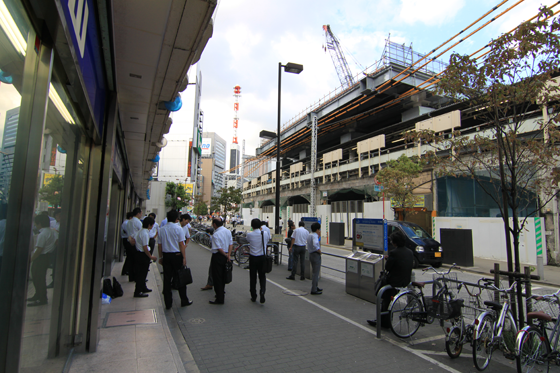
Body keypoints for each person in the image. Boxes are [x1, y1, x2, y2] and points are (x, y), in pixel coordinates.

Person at [367, 230, 413, 328]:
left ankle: (383, 321)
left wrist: (388, 259)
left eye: (392, 241)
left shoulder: (394, 252)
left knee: (384, 298)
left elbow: (388, 267)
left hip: (394, 282)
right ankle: (384, 320)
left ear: (394, 242)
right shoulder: (409, 252)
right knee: (387, 299)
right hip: (406, 280)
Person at [158, 210, 192, 309]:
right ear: (177, 219)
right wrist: (184, 257)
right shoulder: (178, 229)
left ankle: (168, 303)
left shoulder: (161, 229)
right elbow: (181, 244)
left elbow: (159, 245)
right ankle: (184, 300)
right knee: (180, 277)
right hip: (177, 255)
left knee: (167, 279)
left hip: (166, 256)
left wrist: (160, 257)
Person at [27, 214, 58, 306]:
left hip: (41, 257)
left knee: (38, 278)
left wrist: (31, 260)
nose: (35, 225)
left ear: (39, 223)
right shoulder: (53, 232)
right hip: (48, 256)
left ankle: (42, 298)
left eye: (36, 223)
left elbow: (39, 249)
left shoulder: (42, 234)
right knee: (40, 277)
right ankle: (38, 295)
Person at [131, 216, 157, 297]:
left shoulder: (140, 231)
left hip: (139, 254)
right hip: (142, 255)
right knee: (142, 274)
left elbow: (133, 241)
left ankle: (143, 287)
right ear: (149, 225)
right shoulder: (145, 233)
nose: (152, 226)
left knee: (142, 273)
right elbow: (145, 247)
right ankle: (138, 291)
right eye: (152, 225)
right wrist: (150, 256)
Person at [209, 218, 233, 304]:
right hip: (226, 255)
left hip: (219, 256)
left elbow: (218, 248)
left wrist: (225, 254)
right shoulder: (227, 231)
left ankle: (219, 298)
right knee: (223, 276)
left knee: (217, 277)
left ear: (215, 224)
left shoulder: (216, 234)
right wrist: (228, 255)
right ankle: (221, 293)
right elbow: (231, 243)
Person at [246, 218, 270, 303]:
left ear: (252, 226)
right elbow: (267, 241)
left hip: (253, 257)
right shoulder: (265, 233)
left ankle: (253, 295)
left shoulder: (250, 235)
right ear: (260, 225)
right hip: (262, 257)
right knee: (262, 276)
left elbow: (247, 241)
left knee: (253, 277)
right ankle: (262, 291)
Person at [125, 208, 143, 282]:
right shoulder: (138, 222)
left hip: (129, 241)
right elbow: (140, 232)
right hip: (135, 242)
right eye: (141, 213)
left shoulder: (129, 221)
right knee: (136, 261)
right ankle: (136, 277)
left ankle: (131, 277)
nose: (141, 215)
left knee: (130, 260)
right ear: (138, 213)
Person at [307, 222, 323, 295]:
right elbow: (315, 244)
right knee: (315, 273)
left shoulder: (310, 235)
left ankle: (315, 286)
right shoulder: (315, 236)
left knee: (314, 272)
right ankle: (314, 289)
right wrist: (319, 251)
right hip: (315, 254)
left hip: (310, 254)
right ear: (317, 229)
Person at [121, 212, 133, 276]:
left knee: (129, 256)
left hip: (126, 239)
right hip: (126, 239)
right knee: (129, 256)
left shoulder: (126, 222)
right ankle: (125, 270)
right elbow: (128, 232)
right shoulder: (127, 223)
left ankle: (126, 270)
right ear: (130, 217)